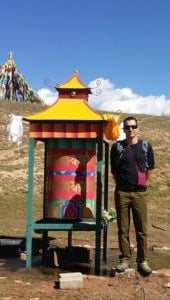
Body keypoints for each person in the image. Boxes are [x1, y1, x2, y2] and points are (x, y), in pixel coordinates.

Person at [110, 116, 155, 276]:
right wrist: (122, 185)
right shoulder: (116, 148)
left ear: (137, 128)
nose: (130, 130)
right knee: (123, 229)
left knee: (141, 229)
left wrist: (142, 183)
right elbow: (114, 171)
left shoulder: (145, 146)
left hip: (140, 194)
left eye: (133, 126)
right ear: (123, 129)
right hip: (122, 193)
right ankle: (125, 259)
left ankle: (142, 260)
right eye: (127, 127)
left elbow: (149, 169)